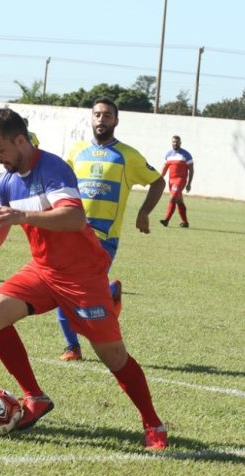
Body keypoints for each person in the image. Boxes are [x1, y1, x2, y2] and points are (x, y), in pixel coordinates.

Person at [0, 107, 167, 449]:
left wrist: (22, 215)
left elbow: (73, 217)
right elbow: (3, 219)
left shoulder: (52, 167)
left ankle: (153, 425)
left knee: (113, 357)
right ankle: (34, 398)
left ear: (19, 140)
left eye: (0, 150)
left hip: (82, 275)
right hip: (43, 270)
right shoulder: (7, 181)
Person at [58, 98, 165, 361]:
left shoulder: (128, 156)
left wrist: (143, 213)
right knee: (60, 289)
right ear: (91, 119)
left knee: (80, 291)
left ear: (116, 121)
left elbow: (158, 182)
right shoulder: (75, 152)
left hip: (104, 236)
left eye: (107, 115)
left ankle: (108, 293)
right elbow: (61, 186)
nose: (101, 120)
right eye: (97, 115)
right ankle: (72, 347)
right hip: (71, 231)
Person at [159, 135, 194, 228]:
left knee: (172, 198)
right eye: (174, 142)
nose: (175, 143)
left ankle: (166, 220)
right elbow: (165, 167)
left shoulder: (186, 154)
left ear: (180, 143)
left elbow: (191, 169)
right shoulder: (169, 154)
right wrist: (160, 178)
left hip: (180, 180)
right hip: (171, 181)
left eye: (177, 142)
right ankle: (185, 222)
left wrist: (189, 183)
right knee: (179, 201)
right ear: (171, 142)